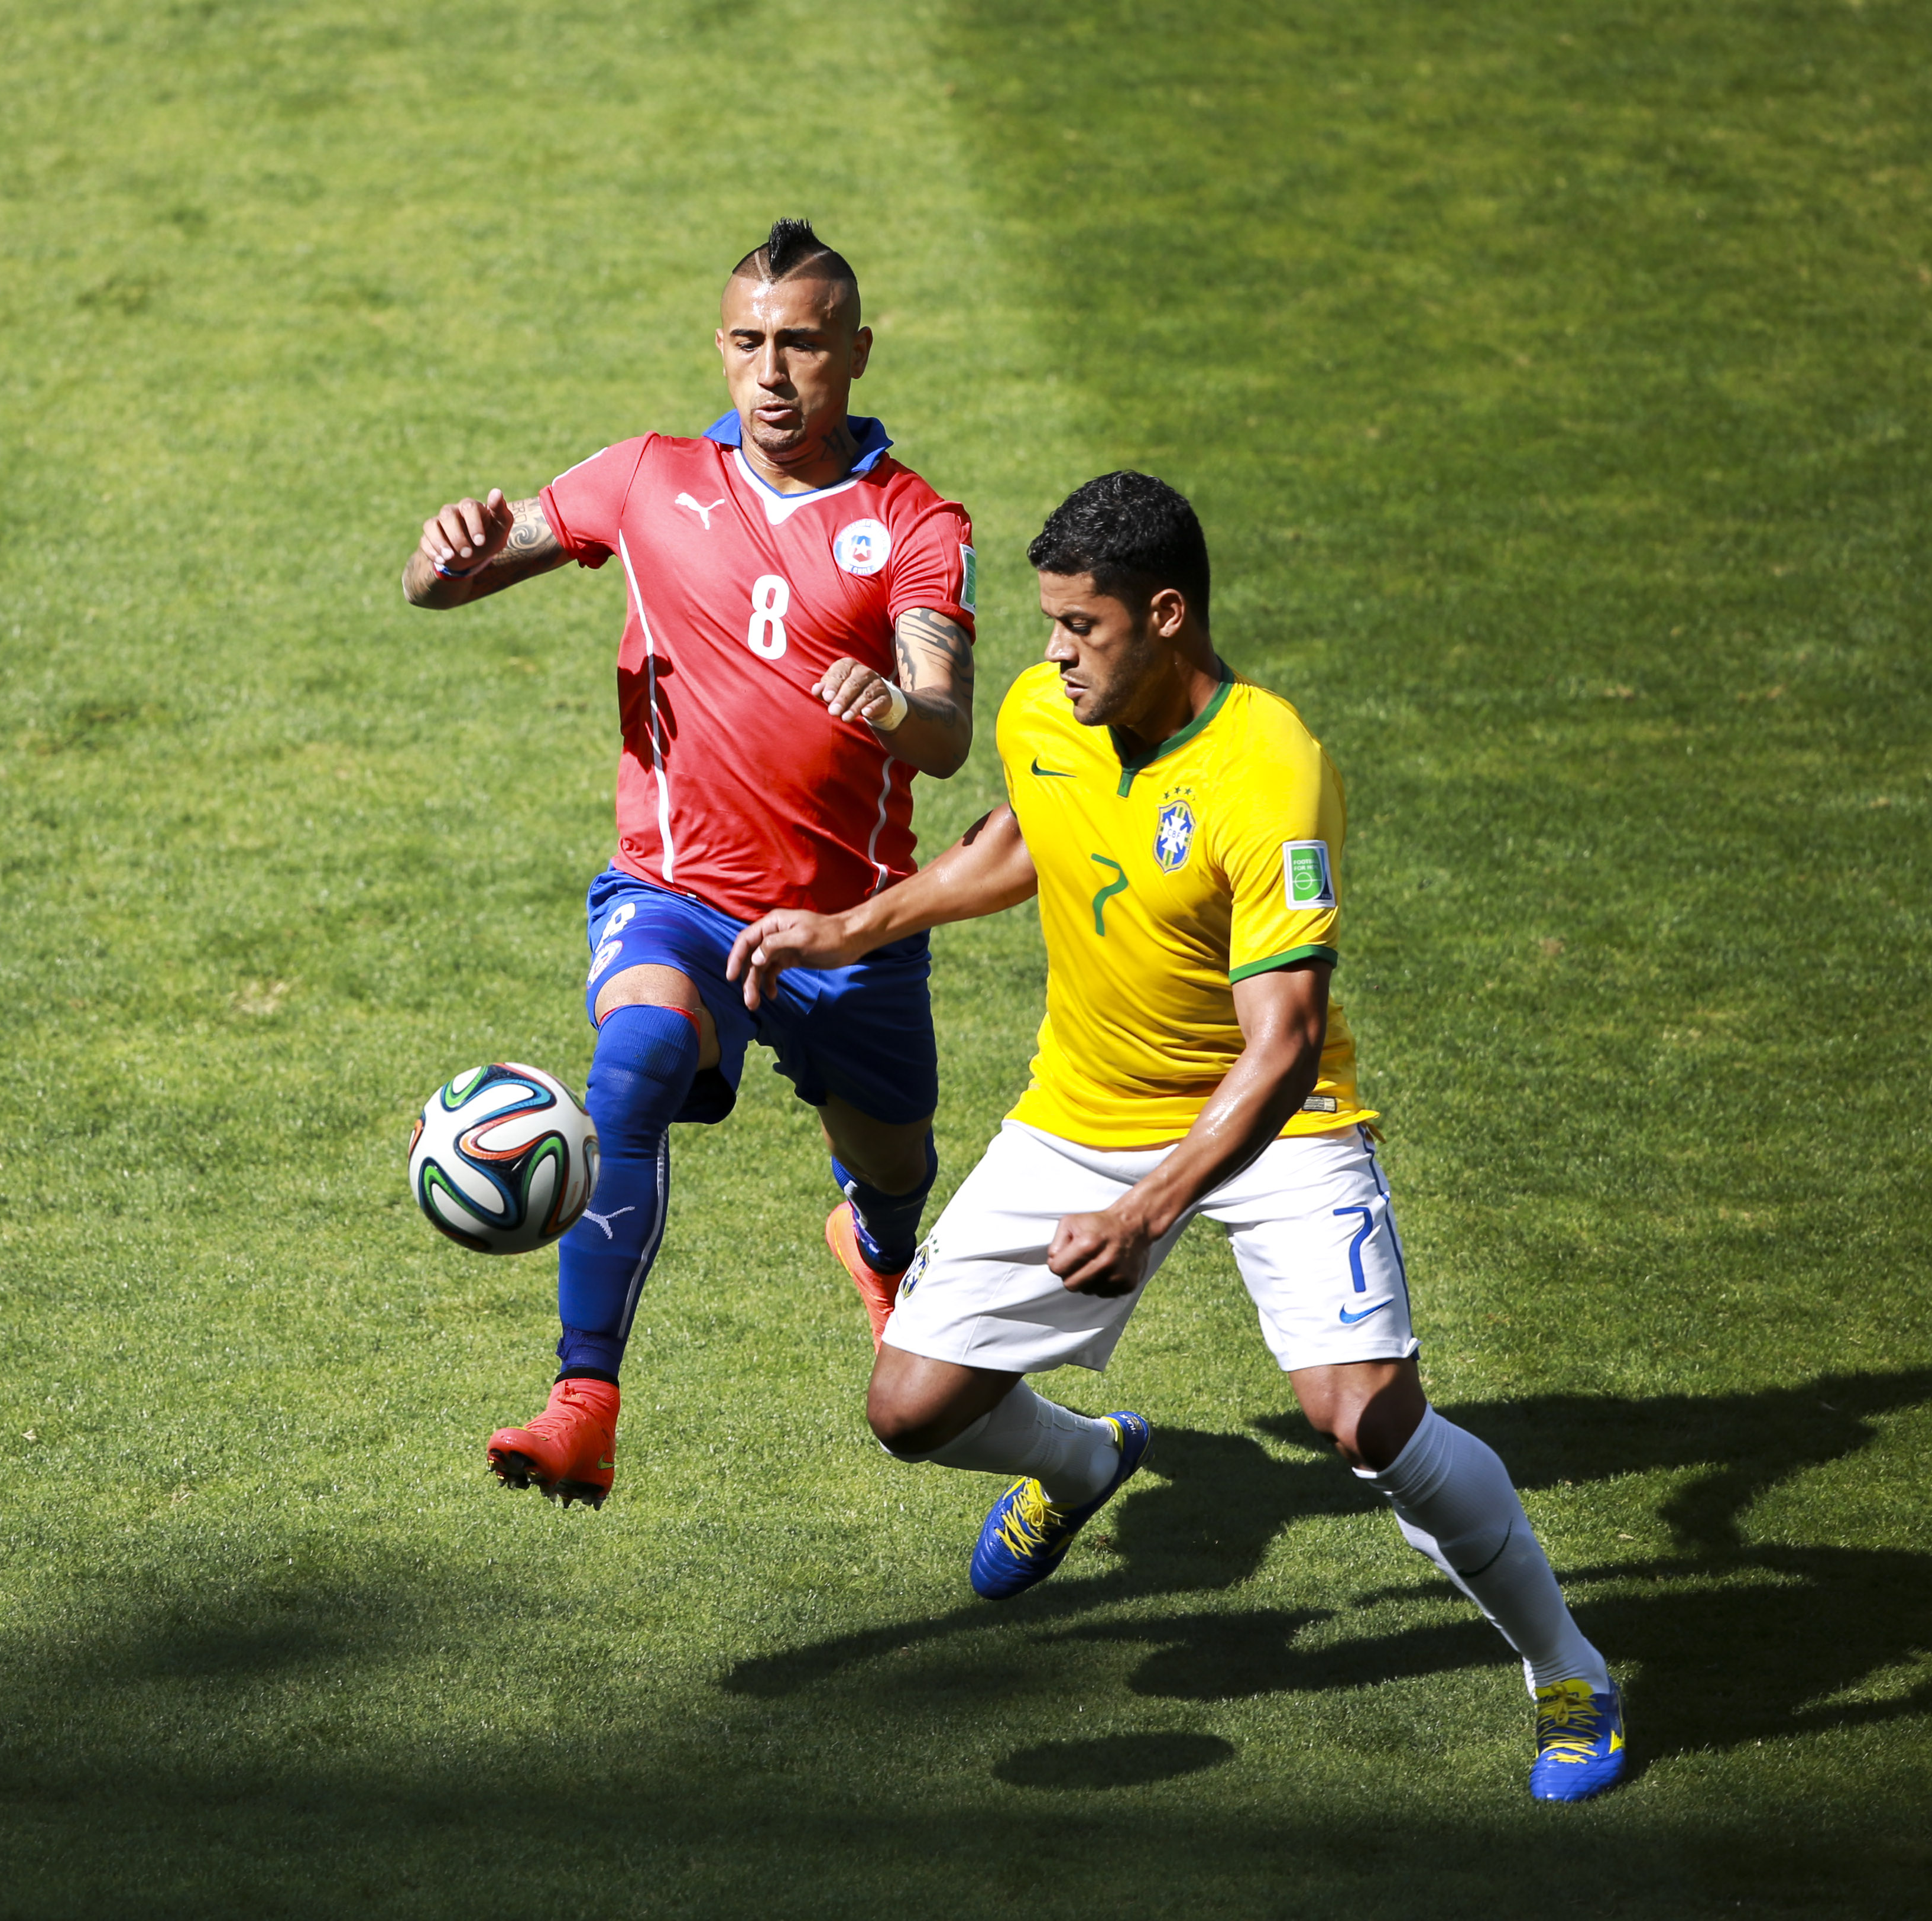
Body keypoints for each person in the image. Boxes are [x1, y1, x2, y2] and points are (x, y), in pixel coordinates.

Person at [727, 471, 1627, 1802]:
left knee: (1366, 1418)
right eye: (1047, 620)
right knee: (909, 1410)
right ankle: (1084, 1459)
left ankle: (1569, 1668)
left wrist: (1147, 1210)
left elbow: (1279, 1049)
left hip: (1277, 1125)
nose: (1049, 652)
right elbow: (1021, 838)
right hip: (1080, 1109)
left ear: (1165, 616)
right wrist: (853, 925)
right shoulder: (1051, 709)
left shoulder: (1273, 768)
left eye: (1079, 626)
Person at [401, 219, 978, 1509]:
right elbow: (442, 584)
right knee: (639, 1060)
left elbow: (946, 731)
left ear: (857, 353)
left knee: (893, 1170)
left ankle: (876, 1248)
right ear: (722, 348)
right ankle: (583, 1401)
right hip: (676, 893)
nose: (773, 374)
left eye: (804, 345)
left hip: (853, 926)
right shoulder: (643, 478)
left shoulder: (915, 525)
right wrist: (442, 558)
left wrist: (896, 708)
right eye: (749, 343)